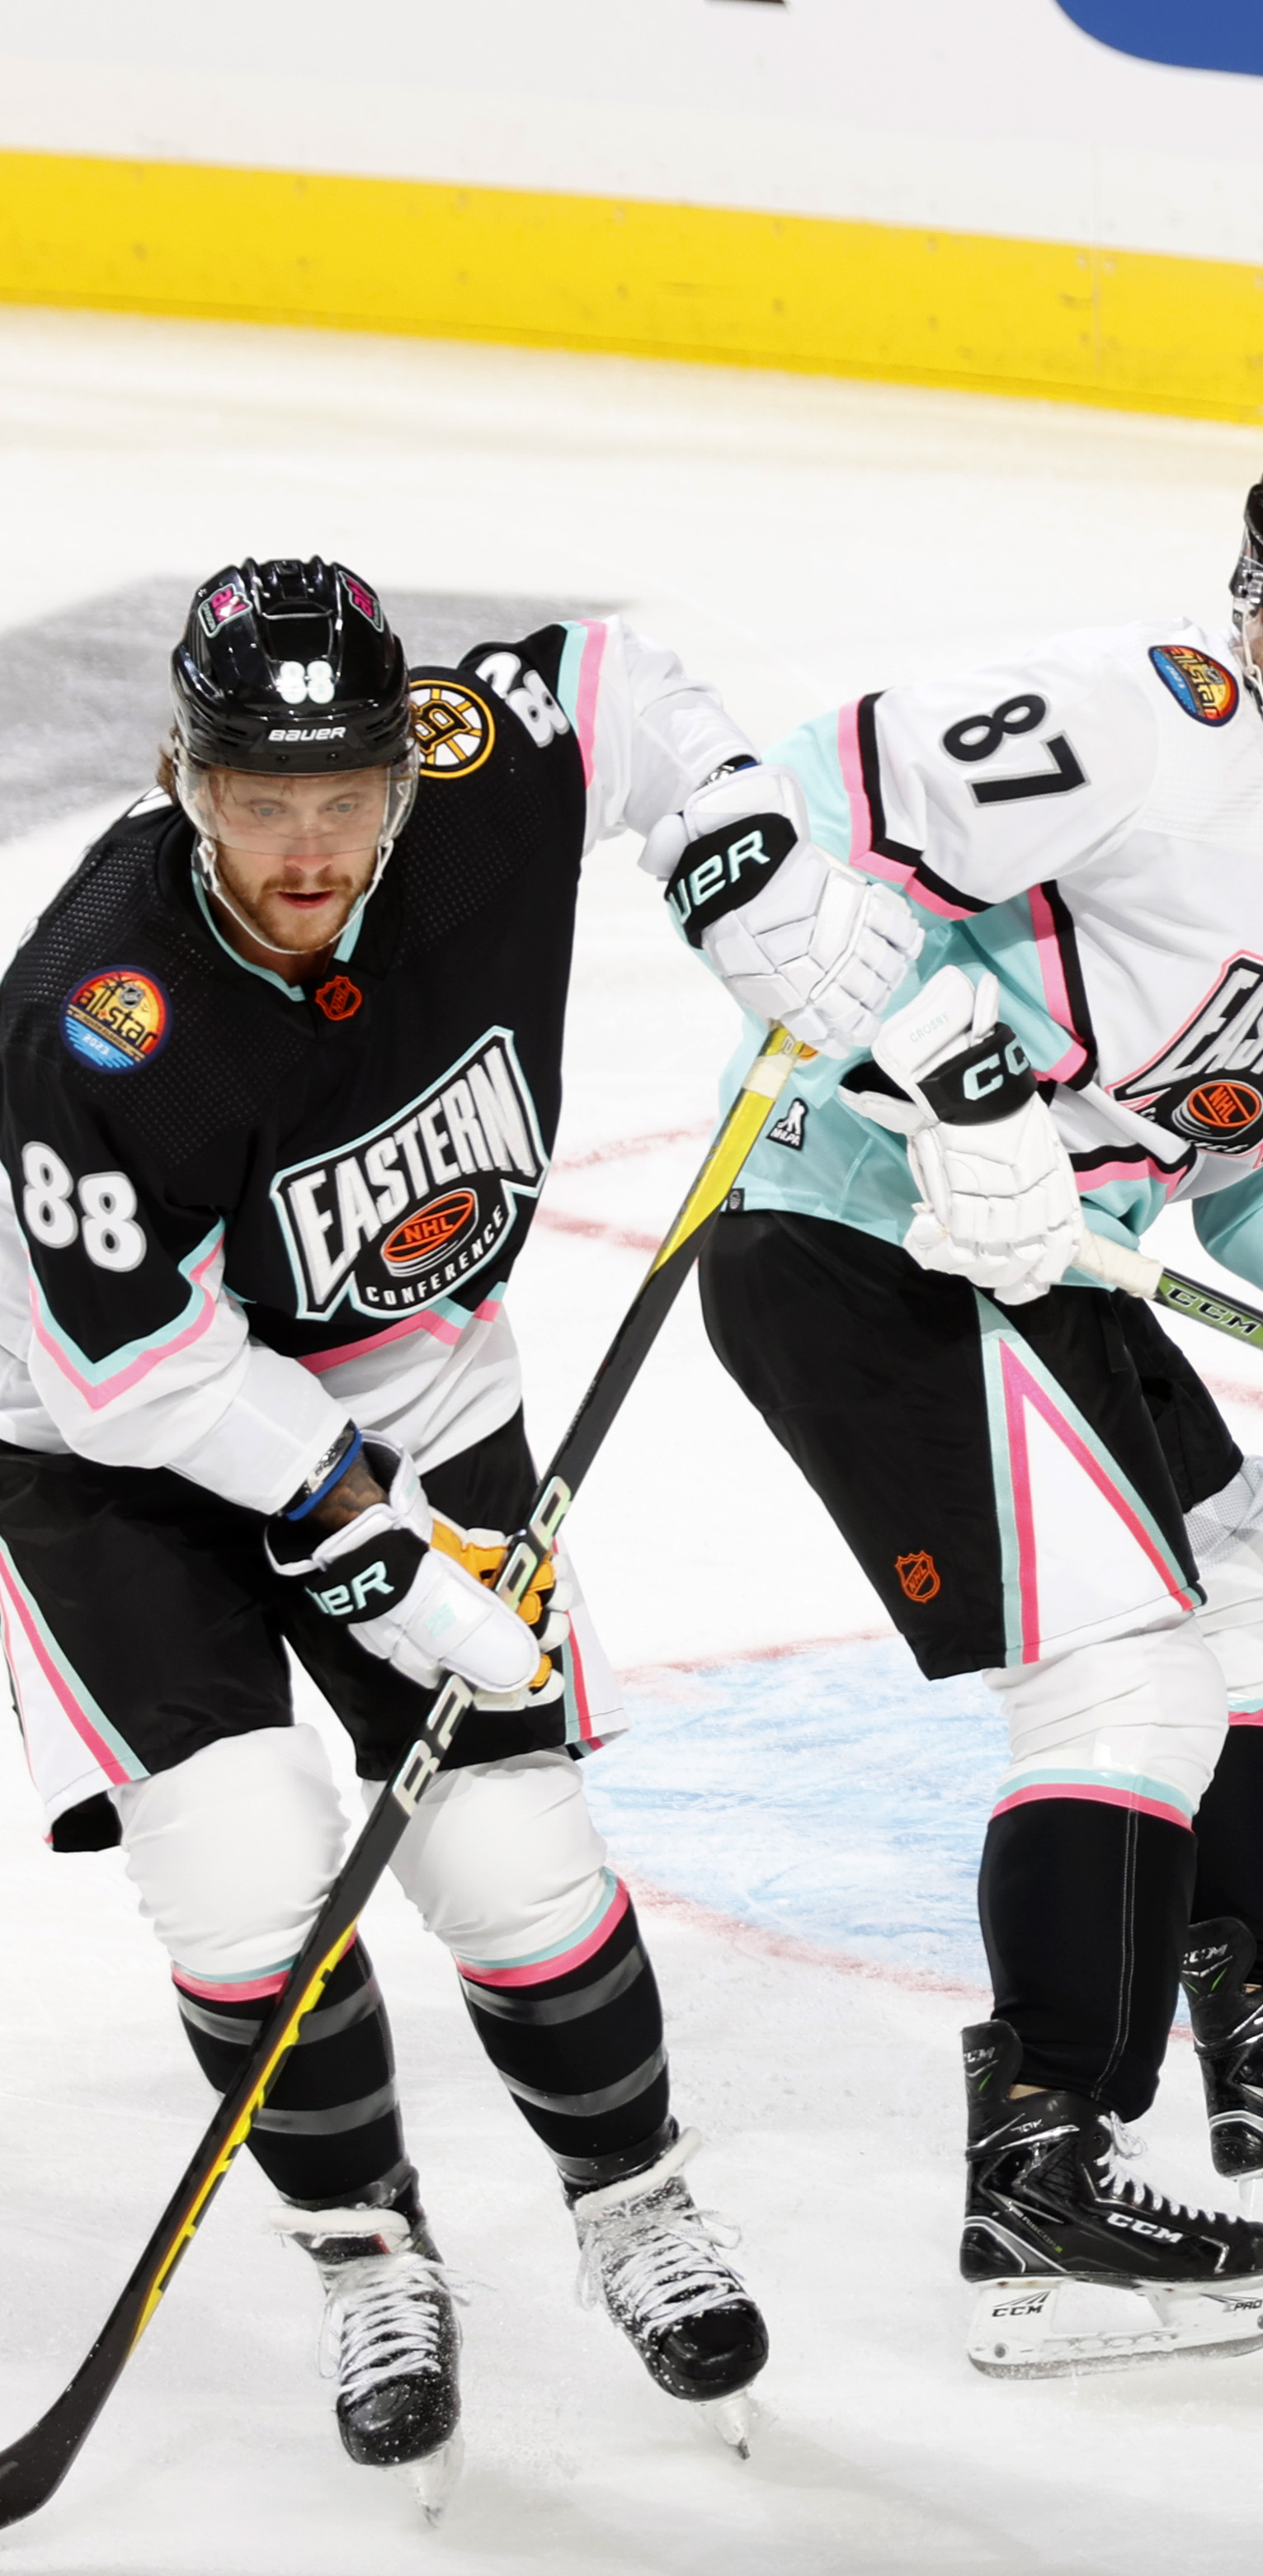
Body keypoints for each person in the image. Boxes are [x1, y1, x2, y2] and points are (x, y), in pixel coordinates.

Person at [664, 407, 1263, 2378]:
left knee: (1255, 1580)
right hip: (850, 1235)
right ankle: (1043, 2165)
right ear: (1255, 599)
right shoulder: (1123, 721)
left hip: (1060, 1269)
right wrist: (943, 1079)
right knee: (1119, 1668)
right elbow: (782, 848)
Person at [0, 561, 795, 2504]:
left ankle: (634, 2204)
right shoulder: (93, 1020)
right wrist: (358, 1536)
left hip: (413, 1379)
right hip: (103, 1438)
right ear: (183, 776)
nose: (305, 845)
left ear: (398, 773)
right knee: (246, 1877)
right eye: (257, 799)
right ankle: (367, 2249)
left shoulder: (473, 778)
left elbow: (617, 673)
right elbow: (128, 1368)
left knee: (511, 1853)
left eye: (341, 796)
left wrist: (754, 870)